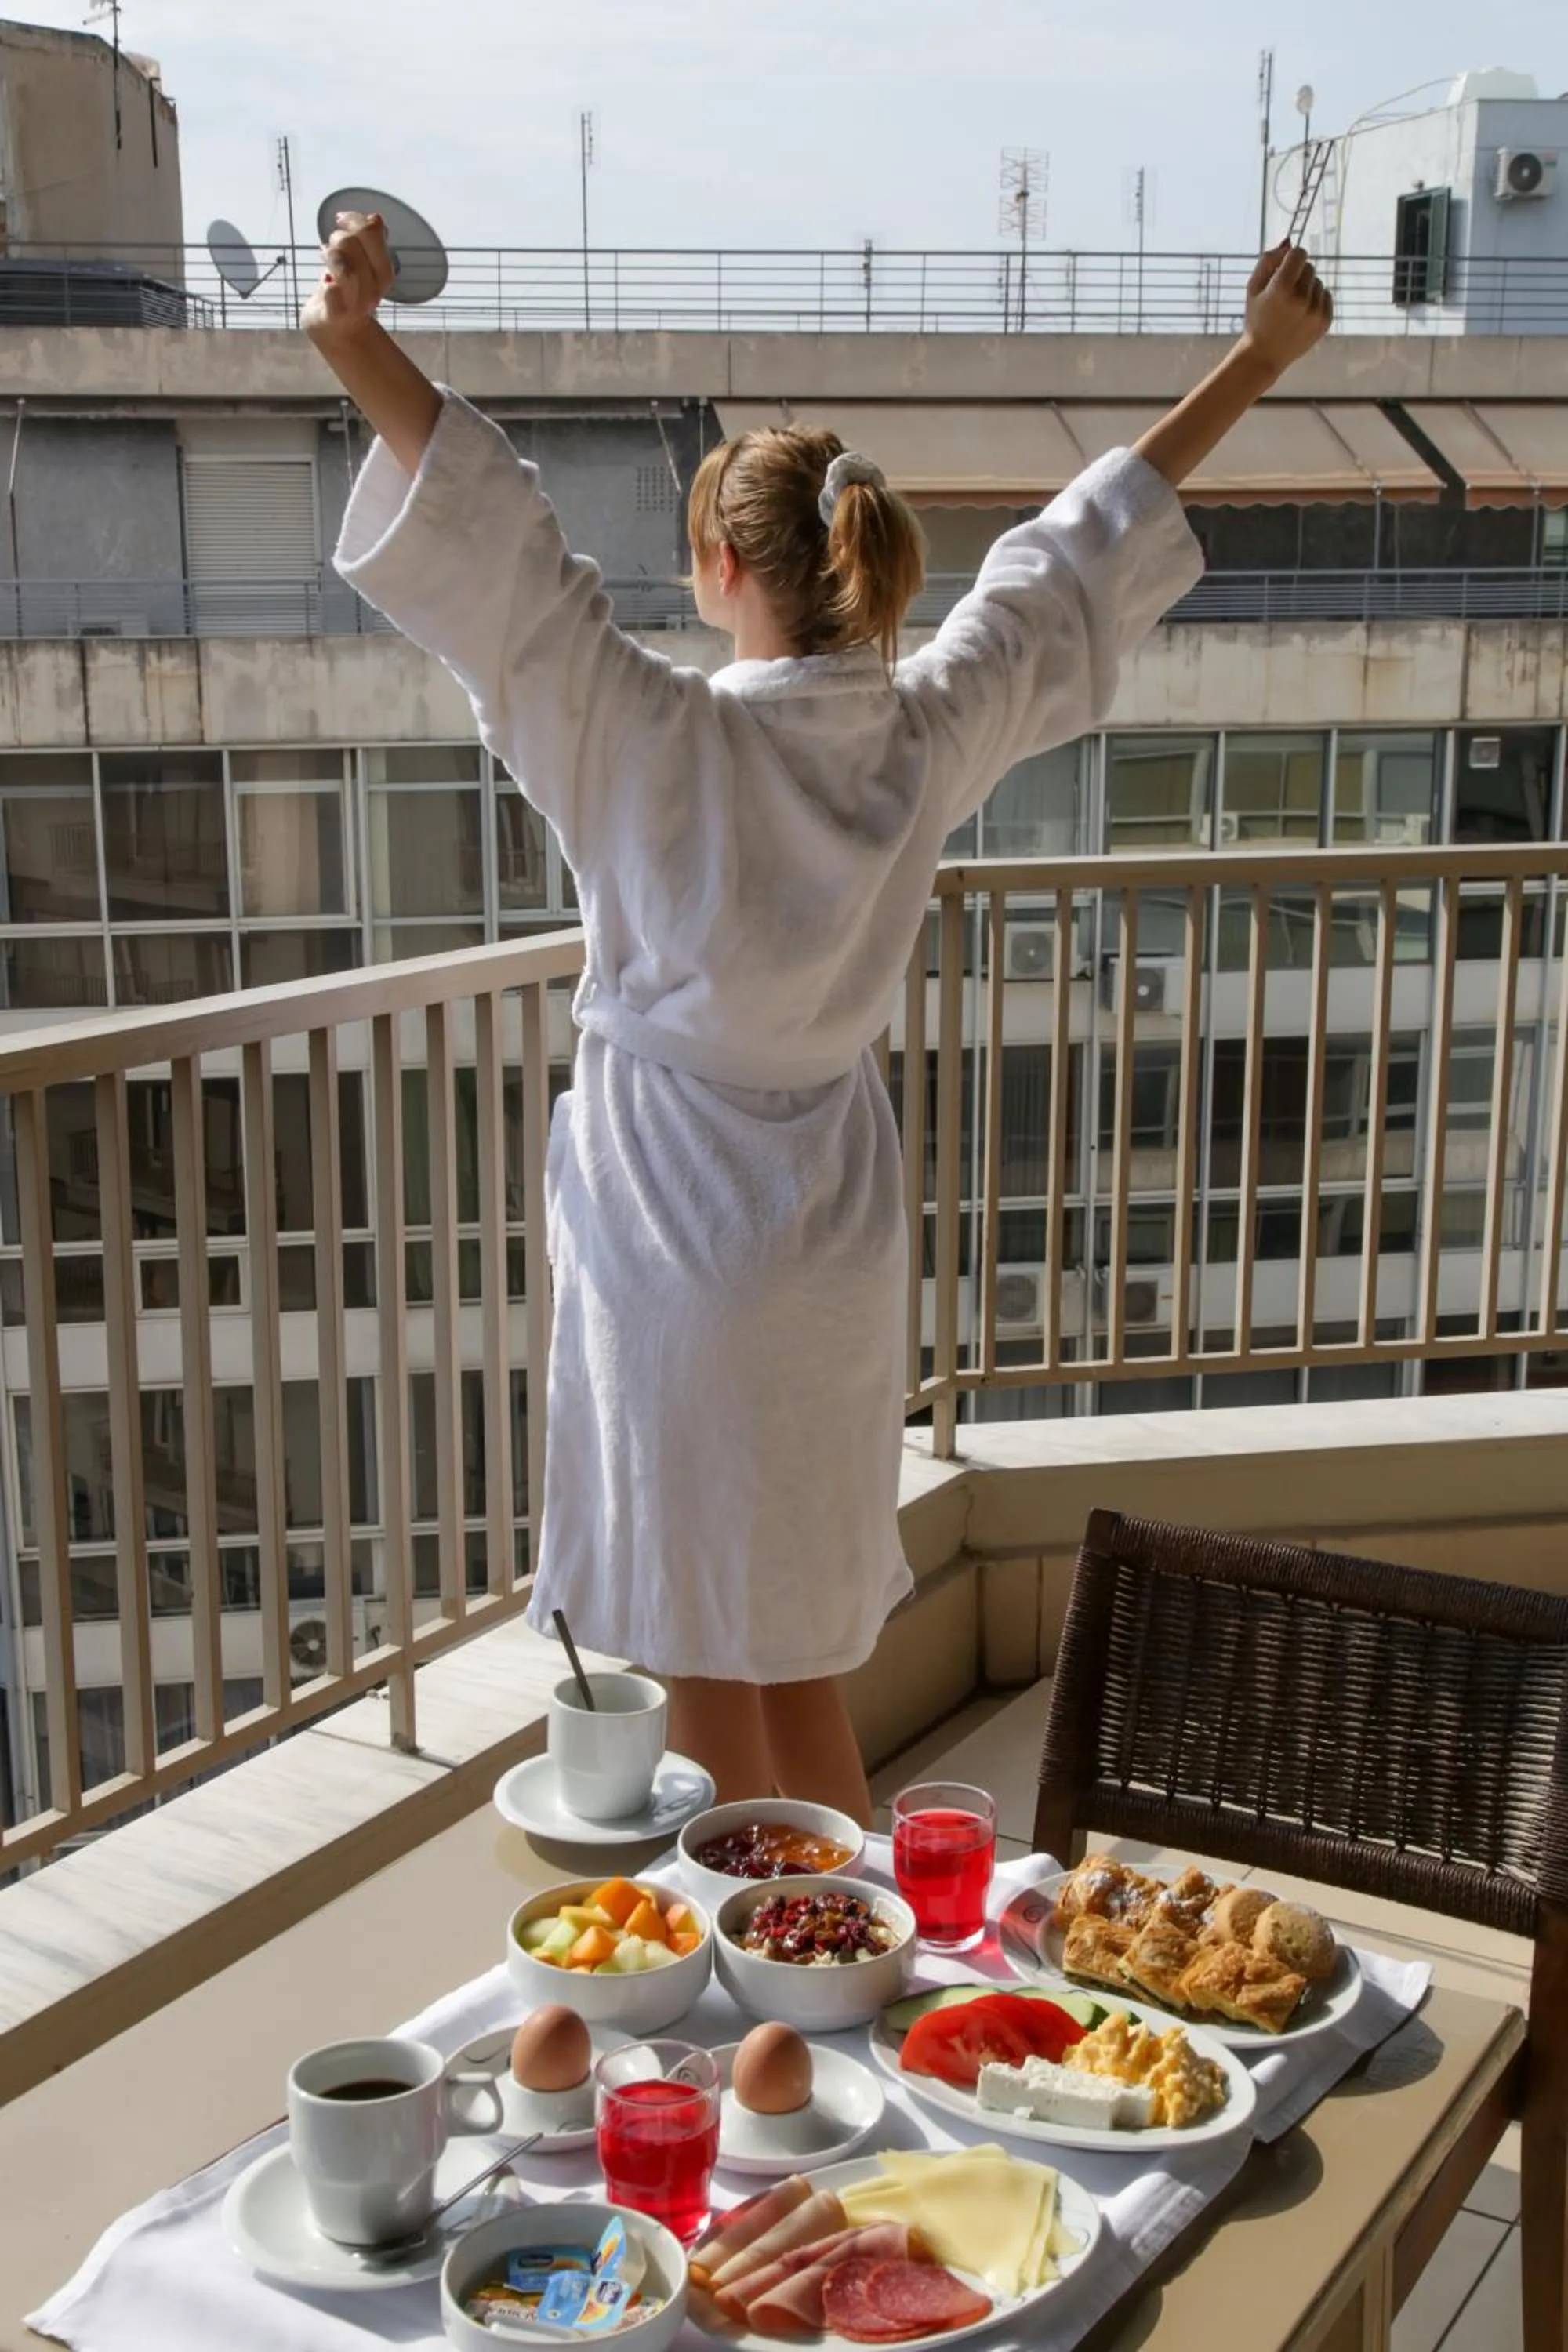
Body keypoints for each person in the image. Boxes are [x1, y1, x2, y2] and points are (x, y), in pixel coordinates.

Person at [306, 223, 1330, 1824]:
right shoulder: (920, 731)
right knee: (787, 1668)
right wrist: (1257, 362)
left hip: (682, 1239)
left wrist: (356, 338)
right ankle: (856, 1968)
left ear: (721, 569)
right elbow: (1068, 563)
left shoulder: (646, 736)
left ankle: (773, 2028)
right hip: (833, 1238)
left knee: (698, 1684)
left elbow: (506, 562)